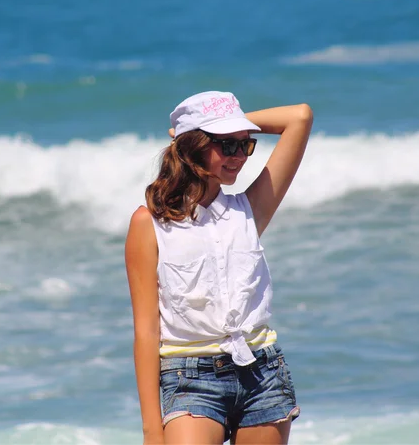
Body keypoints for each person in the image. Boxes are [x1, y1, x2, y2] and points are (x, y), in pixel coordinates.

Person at [125, 90, 313, 445]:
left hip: (262, 372)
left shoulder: (250, 208)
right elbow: (146, 331)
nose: (239, 156)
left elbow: (299, 117)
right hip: (188, 378)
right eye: (227, 145)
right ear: (193, 146)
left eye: (246, 145)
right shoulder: (148, 223)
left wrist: (226, 121)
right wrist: (152, 431)